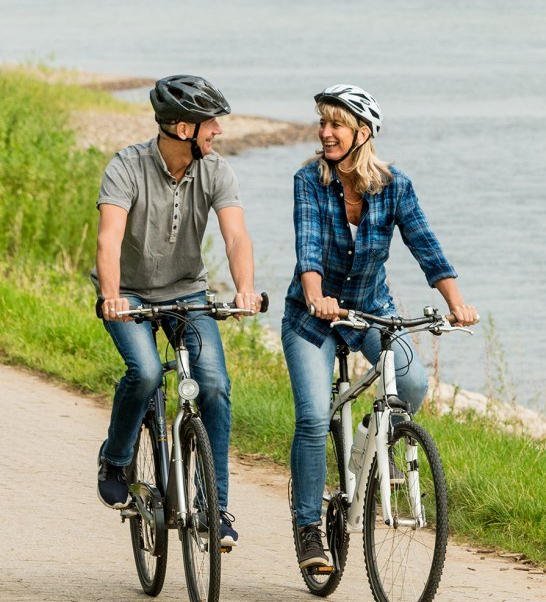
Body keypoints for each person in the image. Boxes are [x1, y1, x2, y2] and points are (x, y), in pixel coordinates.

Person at [282, 83, 478, 569]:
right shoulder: (309, 180)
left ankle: (377, 434)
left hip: (371, 309)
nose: (324, 132)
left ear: (362, 133)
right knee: (312, 416)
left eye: (336, 125)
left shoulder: (395, 185)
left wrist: (457, 303)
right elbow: (308, 247)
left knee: (411, 382)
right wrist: (315, 295)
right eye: (322, 123)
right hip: (313, 317)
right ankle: (309, 528)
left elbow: (426, 246)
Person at [91, 74, 261, 548]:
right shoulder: (126, 166)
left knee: (214, 385)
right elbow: (108, 238)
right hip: (129, 292)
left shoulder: (215, 171)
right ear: (184, 129)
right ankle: (119, 457)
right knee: (144, 373)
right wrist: (111, 296)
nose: (219, 132)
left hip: (187, 293)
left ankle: (215, 507)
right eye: (212, 124)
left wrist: (245, 289)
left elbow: (235, 236)